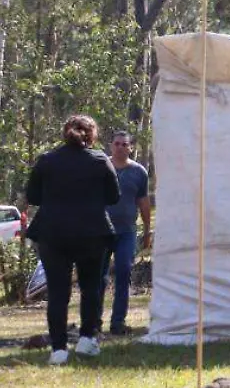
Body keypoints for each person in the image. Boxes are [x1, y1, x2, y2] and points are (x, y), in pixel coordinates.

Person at [23, 114, 121, 365]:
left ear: (65, 133)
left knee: (57, 292)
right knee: (90, 288)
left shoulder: (47, 160)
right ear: (92, 135)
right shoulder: (100, 160)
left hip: (53, 233)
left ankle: (58, 349)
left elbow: (33, 196)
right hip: (92, 233)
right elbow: (113, 197)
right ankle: (87, 340)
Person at [101, 131, 152, 335]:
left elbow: (143, 202)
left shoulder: (139, 172)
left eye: (125, 144)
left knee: (124, 271)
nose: (121, 147)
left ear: (131, 147)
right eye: (117, 144)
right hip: (101, 231)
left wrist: (147, 229)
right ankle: (93, 323)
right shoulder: (101, 167)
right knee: (99, 277)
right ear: (111, 146)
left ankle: (117, 322)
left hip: (127, 232)